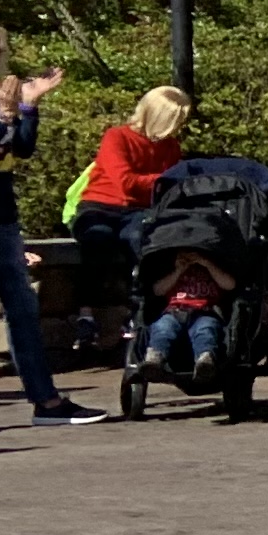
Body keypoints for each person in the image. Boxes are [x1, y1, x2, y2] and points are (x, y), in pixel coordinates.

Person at [0, 12, 99, 436]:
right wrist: (5, 117)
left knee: (24, 307)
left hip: (1, 212)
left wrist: (28, 106)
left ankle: (46, 401)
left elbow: (21, 149)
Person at [73, 83, 192, 352]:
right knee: (97, 241)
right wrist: (166, 180)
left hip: (139, 211)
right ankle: (85, 313)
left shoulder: (170, 146)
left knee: (141, 240)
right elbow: (125, 182)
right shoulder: (117, 137)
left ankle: (139, 310)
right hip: (100, 205)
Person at [143, 247, 233, 381]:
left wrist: (207, 263)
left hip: (204, 311)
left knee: (206, 330)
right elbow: (158, 291)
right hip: (175, 310)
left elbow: (230, 285)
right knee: (163, 328)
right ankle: (156, 357)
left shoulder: (211, 269)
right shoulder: (172, 270)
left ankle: (205, 359)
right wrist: (179, 269)